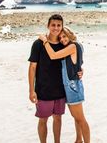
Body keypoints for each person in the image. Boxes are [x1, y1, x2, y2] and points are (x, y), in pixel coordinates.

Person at [28, 14, 83, 143]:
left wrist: (80, 71)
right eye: (53, 25)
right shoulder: (38, 44)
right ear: (48, 26)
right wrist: (31, 90)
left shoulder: (64, 44)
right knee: (43, 120)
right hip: (43, 89)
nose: (56, 28)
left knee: (58, 118)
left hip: (60, 90)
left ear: (62, 27)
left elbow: (74, 62)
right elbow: (32, 67)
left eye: (59, 25)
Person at [39, 27, 90, 143]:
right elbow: (77, 63)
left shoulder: (72, 46)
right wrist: (80, 70)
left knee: (80, 119)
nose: (62, 39)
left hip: (73, 87)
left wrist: (45, 41)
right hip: (72, 86)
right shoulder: (77, 46)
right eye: (60, 37)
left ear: (70, 34)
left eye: (64, 36)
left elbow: (53, 55)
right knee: (76, 117)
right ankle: (78, 140)